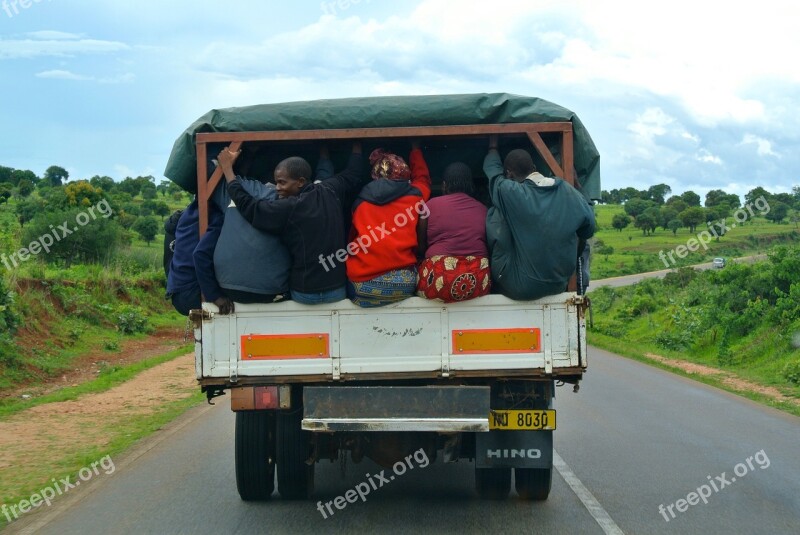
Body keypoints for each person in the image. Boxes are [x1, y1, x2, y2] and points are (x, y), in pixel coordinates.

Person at [217, 143, 364, 304]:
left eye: (282, 182)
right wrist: (356, 144)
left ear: (300, 182)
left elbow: (250, 207)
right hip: (337, 288)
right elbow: (353, 173)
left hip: (304, 292)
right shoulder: (331, 189)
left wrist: (228, 170)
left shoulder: (289, 207)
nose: (277, 188)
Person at [483, 136, 595, 300]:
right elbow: (589, 229)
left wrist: (493, 147)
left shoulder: (510, 192)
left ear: (509, 174)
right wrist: (577, 187)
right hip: (559, 283)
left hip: (520, 286)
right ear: (534, 168)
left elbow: (493, 173)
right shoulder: (567, 190)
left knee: (497, 212)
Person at [345, 143, 431, 307]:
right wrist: (415, 148)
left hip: (363, 286)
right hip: (404, 286)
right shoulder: (415, 196)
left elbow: (351, 240)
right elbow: (423, 180)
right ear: (404, 173)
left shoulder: (359, 203)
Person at [416, 162, 491, 302]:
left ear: (444, 185)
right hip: (477, 283)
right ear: (471, 186)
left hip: (436, 282)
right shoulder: (483, 209)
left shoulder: (429, 205)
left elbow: (420, 247)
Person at [165, 199, 231, 315]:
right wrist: (215, 296)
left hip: (176, 291)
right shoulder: (214, 216)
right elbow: (200, 255)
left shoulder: (187, 213)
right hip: (191, 293)